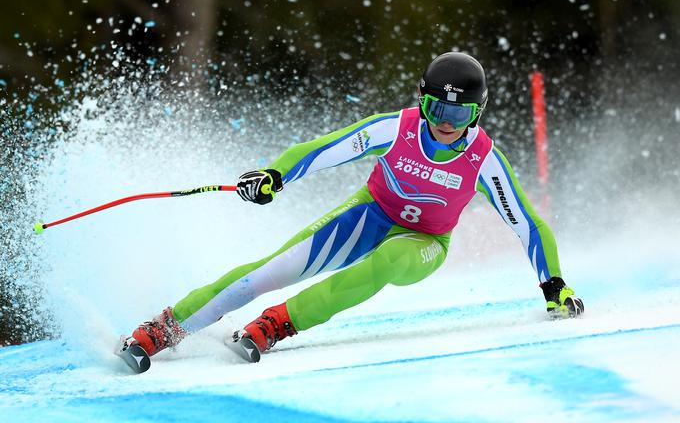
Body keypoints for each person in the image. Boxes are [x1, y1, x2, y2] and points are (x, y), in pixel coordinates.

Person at [123, 52, 584, 361]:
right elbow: (324, 148)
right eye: (436, 111)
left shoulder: (484, 157)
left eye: (458, 115)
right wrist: (275, 176)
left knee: (384, 263)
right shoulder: (395, 128)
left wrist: (554, 284)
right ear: (422, 103)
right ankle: (166, 328)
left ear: (477, 114)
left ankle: (280, 323)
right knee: (268, 270)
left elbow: (527, 222)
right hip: (370, 213)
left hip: (425, 241)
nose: (445, 124)